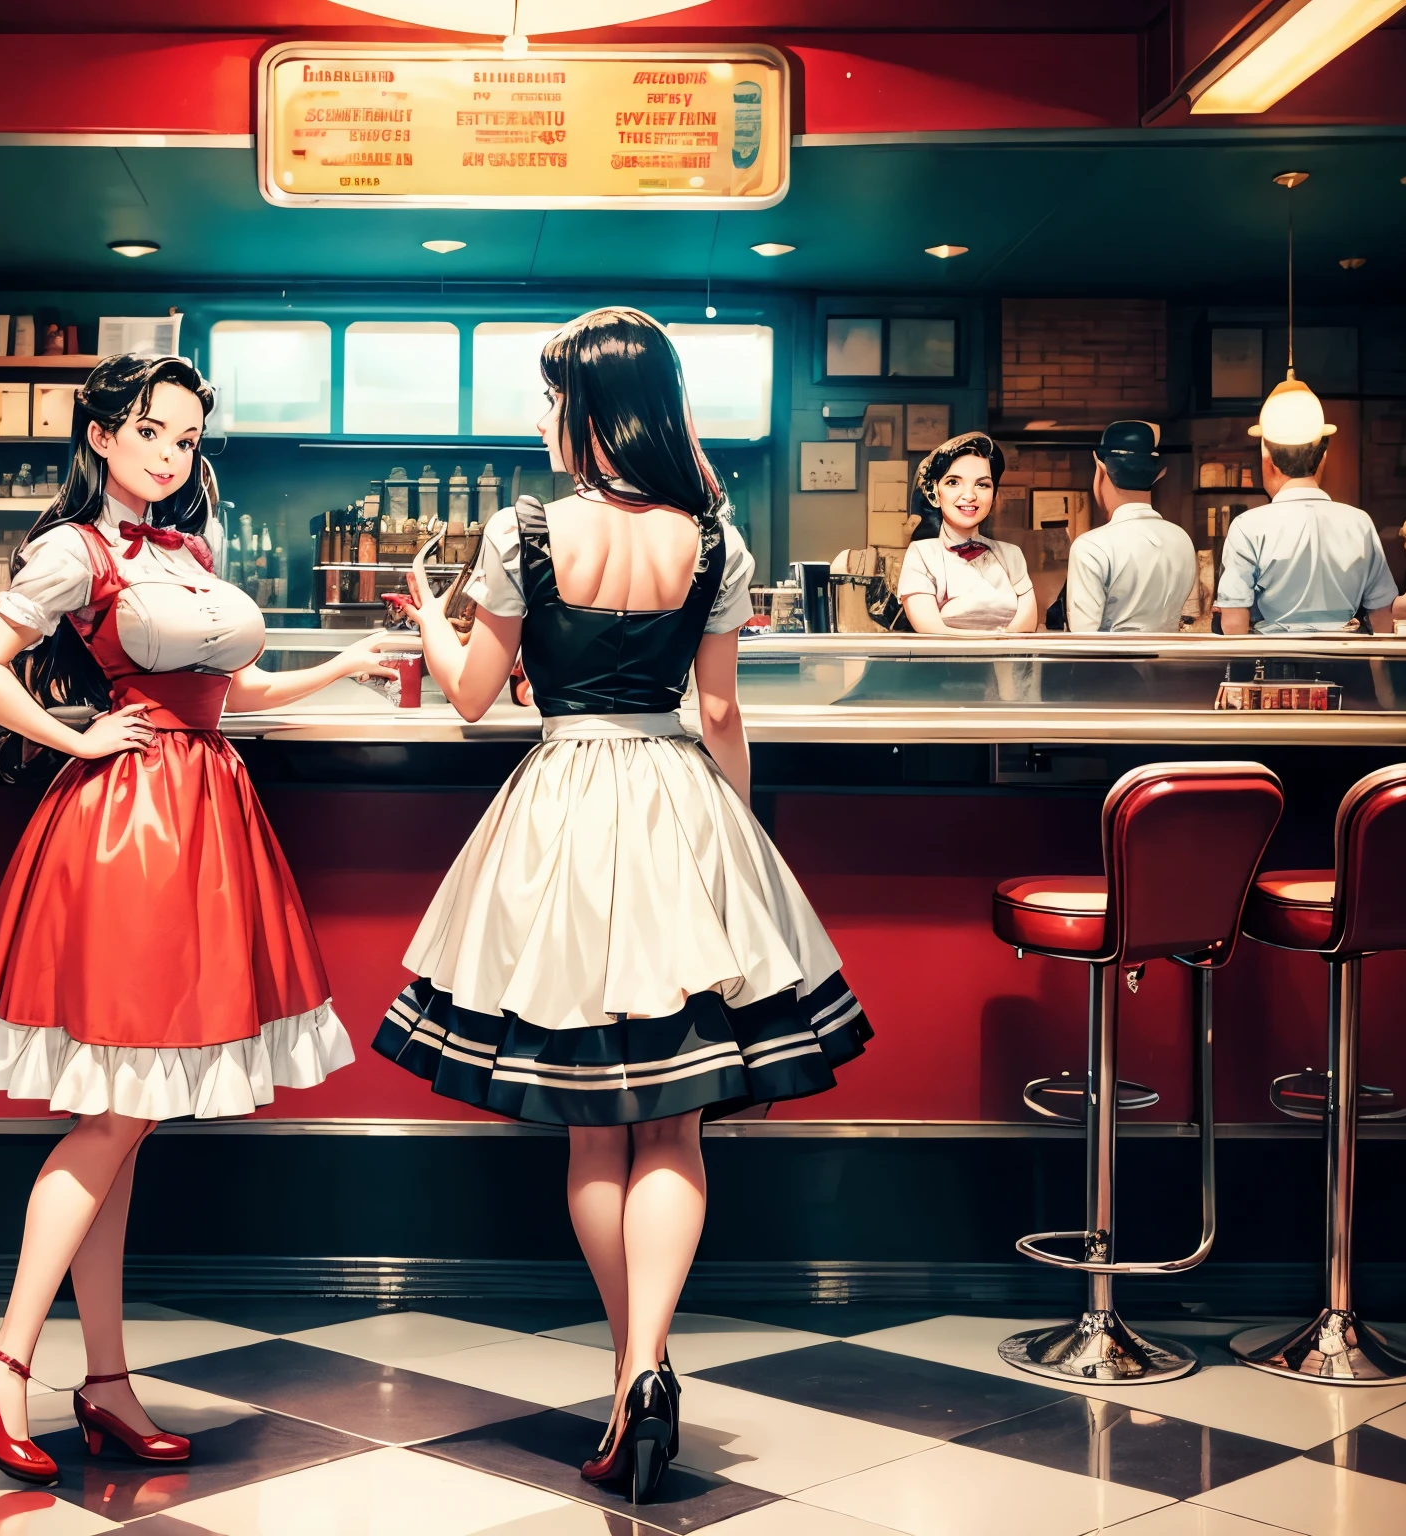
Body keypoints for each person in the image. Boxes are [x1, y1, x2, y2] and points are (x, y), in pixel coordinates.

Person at [377, 308, 871, 1505]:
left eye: (554, 399)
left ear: (589, 409)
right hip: (677, 802)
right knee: (677, 1122)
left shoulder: (523, 530)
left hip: (561, 804)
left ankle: (628, 1372)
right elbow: (717, 712)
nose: (547, 419)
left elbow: (472, 703)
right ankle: (647, 1368)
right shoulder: (712, 537)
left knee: (595, 1124)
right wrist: (738, 842)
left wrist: (430, 613)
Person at [0, 355, 393, 1485]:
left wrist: (339, 666)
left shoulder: (187, 552)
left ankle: (104, 1385)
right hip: (126, 829)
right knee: (113, 1114)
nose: (167, 452)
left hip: (202, 814)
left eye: (186, 438)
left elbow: (228, 697)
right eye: (149, 430)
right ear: (100, 434)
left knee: (126, 1117)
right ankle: (4, 1358)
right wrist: (81, 738)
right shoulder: (73, 550)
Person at [1213, 385, 1395, 634]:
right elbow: (1383, 617)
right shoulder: (1360, 522)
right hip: (1350, 663)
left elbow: (1234, 622)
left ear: (1267, 458)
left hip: (1274, 665)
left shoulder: (1248, 526)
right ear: (1324, 456)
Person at [896, 433, 1037, 633]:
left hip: (1004, 663)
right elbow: (931, 630)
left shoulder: (1011, 555)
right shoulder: (922, 554)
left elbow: (1027, 625)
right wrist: (995, 641)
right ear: (933, 492)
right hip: (942, 663)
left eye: (982, 484)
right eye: (953, 482)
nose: (970, 496)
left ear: (994, 495)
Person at [1064, 421, 1197, 633]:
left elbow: (1084, 636)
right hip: (1168, 663)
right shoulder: (1182, 539)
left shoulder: (1090, 546)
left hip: (1112, 665)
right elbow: (1189, 615)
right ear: (1158, 475)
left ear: (1100, 469)